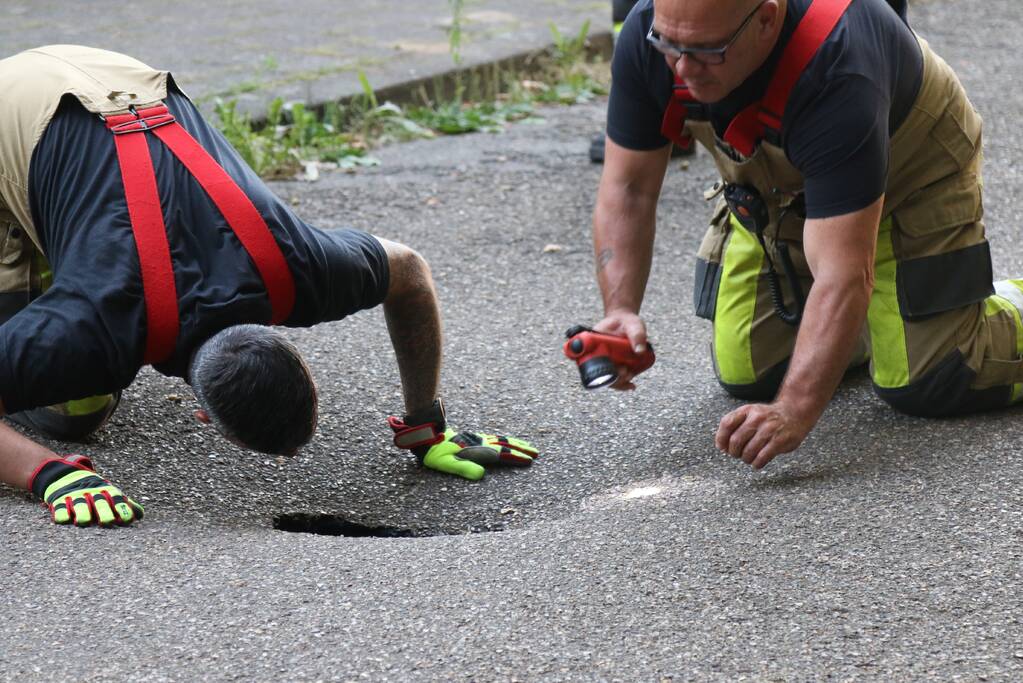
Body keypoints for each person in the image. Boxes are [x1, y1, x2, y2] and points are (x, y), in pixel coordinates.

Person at [0, 45, 538, 528]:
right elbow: (413, 273)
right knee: (71, 421)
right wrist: (47, 473)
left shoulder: (301, 271)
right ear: (205, 417)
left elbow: (410, 272)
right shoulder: (90, 331)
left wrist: (427, 425)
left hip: (116, 74)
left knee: (72, 394)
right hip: (18, 108)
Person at [589, 0, 1023, 470]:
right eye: (670, 45)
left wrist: (793, 411)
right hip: (786, 187)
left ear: (767, 18)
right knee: (752, 369)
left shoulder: (839, 64)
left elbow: (842, 273)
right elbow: (628, 189)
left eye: (707, 50)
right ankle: (874, 318)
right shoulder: (651, 34)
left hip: (909, 175)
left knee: (931, 379)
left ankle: (961, 311)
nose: (683, 67)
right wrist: (620, 311)